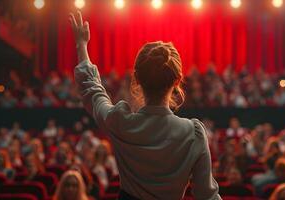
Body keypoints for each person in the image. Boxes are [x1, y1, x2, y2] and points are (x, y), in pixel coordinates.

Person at [70, 11, 220, 200]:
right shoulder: (193, 134)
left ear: (137, 78)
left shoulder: (121, 122)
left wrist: (81, 45)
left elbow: (92, 91)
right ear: (177, 81)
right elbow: (207, 196)